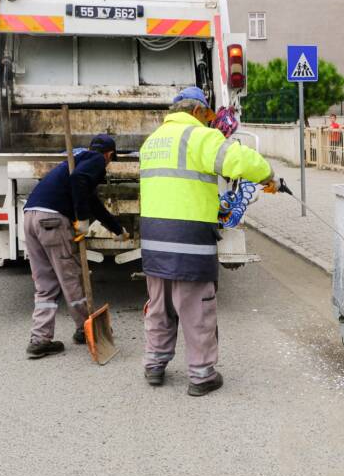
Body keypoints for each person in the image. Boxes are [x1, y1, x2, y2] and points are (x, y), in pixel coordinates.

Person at [139, 87, 275, 396]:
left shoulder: (152, 142)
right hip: (188, 240)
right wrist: (268, 174)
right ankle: (201, 375)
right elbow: (237, 160)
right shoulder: (198, 136)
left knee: (160, 307)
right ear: (199, 112)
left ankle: (154, 365)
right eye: (208, 116)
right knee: (196, 309)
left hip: (154, 241)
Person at [22, 134, 126, 359]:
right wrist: (82, 219)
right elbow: (79, 182)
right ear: (109, 154)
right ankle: (85, 329)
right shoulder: (96, 160)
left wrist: (117, 229)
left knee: (45, 284)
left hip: (30, 216)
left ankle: (40, 339)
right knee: (71, 278)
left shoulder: (77, 161)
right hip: (52, 220)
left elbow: (91, 201)